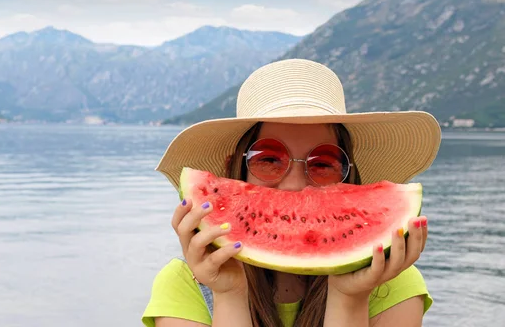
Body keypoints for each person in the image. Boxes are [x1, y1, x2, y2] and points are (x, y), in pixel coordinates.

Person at [142, 59, 441, 327]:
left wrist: (349, 298)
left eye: (323, 163)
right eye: (268, 159)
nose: (295, 186)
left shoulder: (393, 283)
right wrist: (229, 295)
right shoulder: (184, 284)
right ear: (235, 168)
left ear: (349, 177)